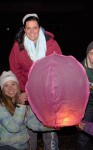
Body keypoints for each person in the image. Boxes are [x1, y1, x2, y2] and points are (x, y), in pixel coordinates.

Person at [9, 13, 62, 150]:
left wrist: (55, 88)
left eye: (35, 28)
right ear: (24, 29)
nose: (32, 31)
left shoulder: (51, 43)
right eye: (28, 28)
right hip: (28, 91)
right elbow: (15, 70)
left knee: (49, 126)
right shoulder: (18, 46)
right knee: (30, 127)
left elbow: (59, 67)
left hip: (48, 93)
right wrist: (23, 90)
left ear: (39, 28)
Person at [0, 71, 55, 150]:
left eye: (13, 84)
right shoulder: (1, 107)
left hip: (24, 147)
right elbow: (13, 128)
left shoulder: (25, 107)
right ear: (2, 89)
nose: (10, 88)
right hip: (6, 147)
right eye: (6, 85)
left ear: (18, 86)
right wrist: (21, 104)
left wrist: (55, 125)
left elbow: (34, 124)